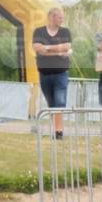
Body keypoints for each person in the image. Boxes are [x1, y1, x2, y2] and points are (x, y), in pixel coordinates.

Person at [32, 7, 72, 139]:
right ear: (52, 17)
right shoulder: (39, 31)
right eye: (60, 17)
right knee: (51, 103)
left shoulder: (65, 32)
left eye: (63, 17)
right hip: (44, 74)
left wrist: (47, 48)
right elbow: (38, 49)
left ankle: (59, 132)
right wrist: (58, 51)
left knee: (59, 102)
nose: (62, 19)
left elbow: (66, 47)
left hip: (61, 73)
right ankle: (55, 128)